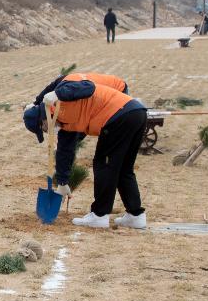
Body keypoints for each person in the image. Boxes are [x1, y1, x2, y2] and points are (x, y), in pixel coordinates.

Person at [23, 81, 148, 229]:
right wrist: (62, 183)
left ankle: (99, 216)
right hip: (136, 114)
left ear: (42, 119)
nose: (47, 131)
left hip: (118, 115)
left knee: (104, 166)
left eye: (43, 128)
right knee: (124, 169)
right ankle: (136, 215)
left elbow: (88, 87)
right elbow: (65, 151)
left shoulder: (61, 98)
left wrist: (57, 93)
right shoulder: (64, 122)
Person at [32, 71, 128, 108]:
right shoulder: (63, 80)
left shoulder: (73, 87)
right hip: (110, 83)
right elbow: (48, 89)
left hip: (118, 88)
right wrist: (35, 103)